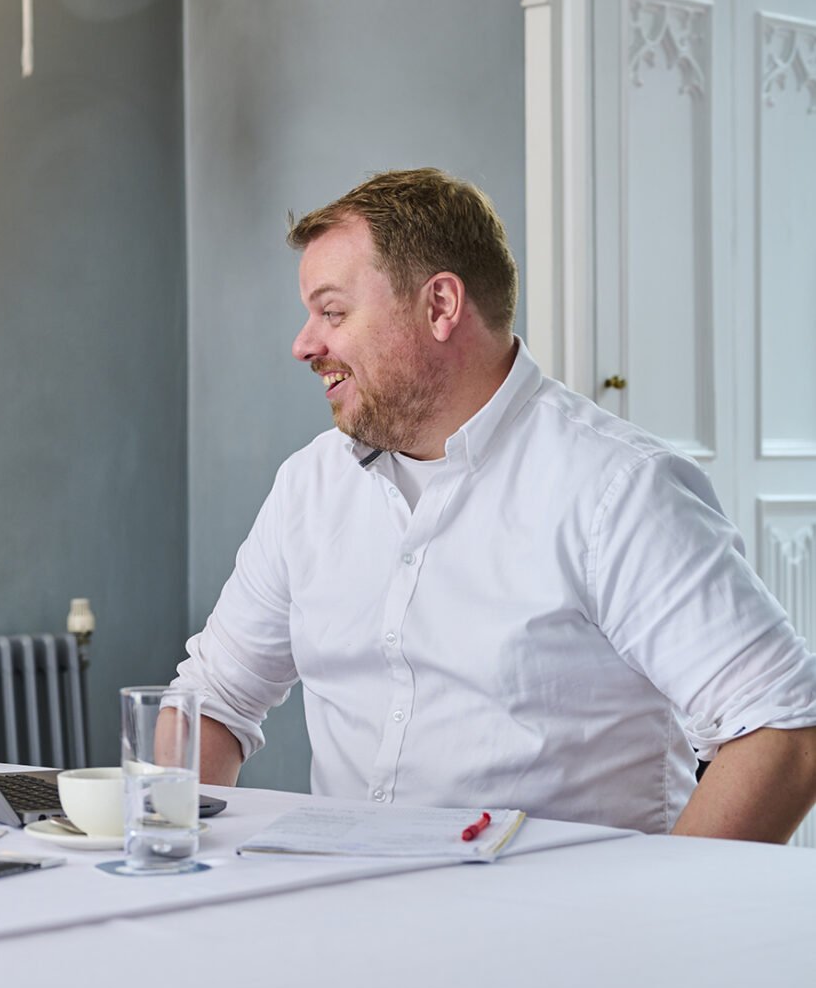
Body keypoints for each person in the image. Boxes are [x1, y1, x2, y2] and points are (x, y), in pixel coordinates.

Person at [170, 168, 816, 839]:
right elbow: (209, 704)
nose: (305, 343)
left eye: (333, 312)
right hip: (340, 918)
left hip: (564, 934)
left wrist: (665, 921)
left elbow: (781, 725)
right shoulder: (309, 486)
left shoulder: (616, 489)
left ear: (441, 306)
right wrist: (176, 851)